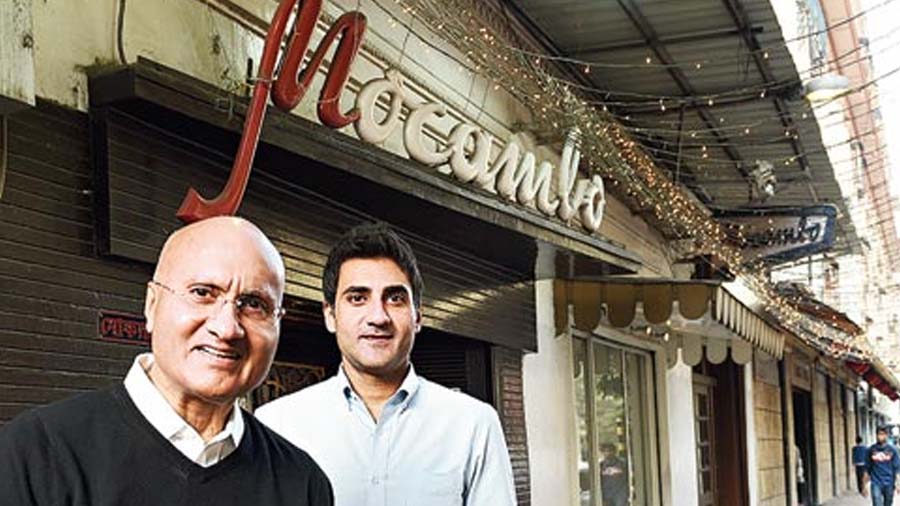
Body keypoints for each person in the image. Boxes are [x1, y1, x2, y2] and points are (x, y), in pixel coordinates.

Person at [0, 216, 333, 505]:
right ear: (151, 305)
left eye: (253, 304)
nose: (227, 327)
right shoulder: (37, 454)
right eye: (203, 292)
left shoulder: (301, 484)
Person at [257, 223, 517, 506]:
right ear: (330, 315)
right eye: (358, 298)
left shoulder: (473, 424)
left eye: (395, 298)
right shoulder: (278, 426)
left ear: (418, 317)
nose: (378, 317)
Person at [863, 426, 900, 506]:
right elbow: (867, 469)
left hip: (889, 482)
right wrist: (864, 486)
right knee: (877, 503)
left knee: (888, 503)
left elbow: (897, 468)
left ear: (886, 435)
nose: (880, 436)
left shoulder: (893, 450)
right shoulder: (871, 450)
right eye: (879, 434)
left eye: (883, 434)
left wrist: (898, 484)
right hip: (876, 482)